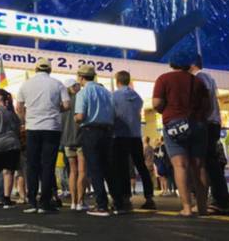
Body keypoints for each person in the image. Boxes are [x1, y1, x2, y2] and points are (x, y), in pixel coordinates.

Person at [152, 51, 211, 217]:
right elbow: (208, 107)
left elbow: (156, 103)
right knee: (199, 167)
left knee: (180, 165)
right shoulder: (198, 81)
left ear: (172, 63)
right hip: (198, 124)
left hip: (174, 125)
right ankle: (202, 207)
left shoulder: (164, 79)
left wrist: (167, 110)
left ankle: (186, 207)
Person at [16, 58, 70, 214]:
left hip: (32, 128)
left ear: (36, 69)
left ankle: (32, 202)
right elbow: (67, 105)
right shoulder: (58, 84)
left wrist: (28, 117)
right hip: (52, 128)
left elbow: (19, 107)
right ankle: (45, 202)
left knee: (32, 165)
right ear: (50, 70)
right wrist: (54, 110)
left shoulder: (26, 84)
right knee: (48, 165)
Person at [190, 56, 229, 214]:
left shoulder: (201, 76)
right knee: (208, 163)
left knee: (209, 163)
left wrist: (199, 117)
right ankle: (216, 200)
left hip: (207, 123)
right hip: (212, 122)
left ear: (192, 63)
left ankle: (220, 201)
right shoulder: (208, 77)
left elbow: (204, 99)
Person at [74, 65, 116, 217]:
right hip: (107, 131)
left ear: (81, 77)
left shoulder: (83, 93)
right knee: (108, 168)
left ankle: (101, 205)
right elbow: (113, 113)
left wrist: (75, 119)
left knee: (95, 169)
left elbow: (80, 116)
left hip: (90, 131)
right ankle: (117, 202)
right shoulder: (106, 92)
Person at [112, 71, 156, 211]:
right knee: (141, 166)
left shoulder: (114, 96)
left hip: (120, 135)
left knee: (122, 167)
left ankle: (125, 198)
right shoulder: (137, 97)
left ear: (117, 80)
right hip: (136, 135)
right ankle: (149, 197)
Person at [60, 78, 87, 211]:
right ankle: (80, 202)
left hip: (67, 140)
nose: (79, 87)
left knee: (72, 171)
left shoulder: (62, 103)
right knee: (82, 171)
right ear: (73, 86)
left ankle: (72, 202)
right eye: (77, 85)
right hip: (81, 139)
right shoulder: (79, 98)